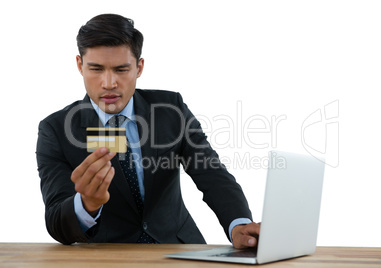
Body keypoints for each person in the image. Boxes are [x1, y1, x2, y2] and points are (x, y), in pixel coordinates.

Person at [36, 13, 260, 247]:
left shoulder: (171, 109)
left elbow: (211, 173)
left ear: (139, 67)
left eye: (121, 69)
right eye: (96, 69)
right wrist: (86, 205)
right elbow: (56, 221)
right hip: (107, 257)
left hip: (179, 248)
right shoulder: (55, 130)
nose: (109, 83)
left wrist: (239, 224)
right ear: (80, 66)